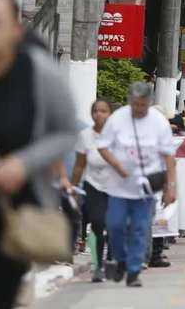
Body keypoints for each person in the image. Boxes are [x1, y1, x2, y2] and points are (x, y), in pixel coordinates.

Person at [0, 0, 78, 307]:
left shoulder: (36, 69)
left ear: (16, 26)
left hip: (10, 219)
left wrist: (23, 163)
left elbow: (66, 131)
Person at [97, 82, 177, 287]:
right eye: (135, 105)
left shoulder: (159, 122)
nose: (139, 109)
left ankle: (133, 271)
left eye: (142, 105)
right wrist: (117, 165)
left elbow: (169, 156)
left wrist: (171, 187)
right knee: (115, 226)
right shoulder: (117, 119)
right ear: (129, 101)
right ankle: (121, 259)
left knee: (140, 229)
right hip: (119, 186)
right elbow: (103, 147)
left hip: (146, 187)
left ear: (149, 102)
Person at [71, 99, 114, 282]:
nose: (99, 114)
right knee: (97, 223)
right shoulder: (85, 136)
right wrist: (73, 186)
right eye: (96, 111)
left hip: (115, 186)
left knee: (114, 225)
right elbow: (80, 165)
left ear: (110, 114)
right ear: (91, 114)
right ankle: (98, 267)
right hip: (93, 185)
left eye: (104, 111)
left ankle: (112, 260)